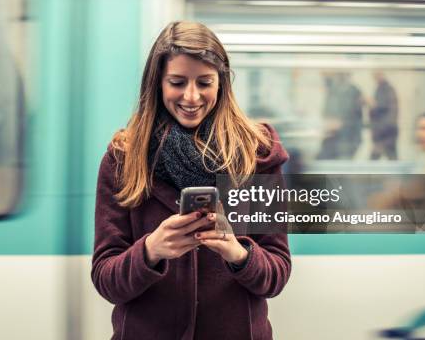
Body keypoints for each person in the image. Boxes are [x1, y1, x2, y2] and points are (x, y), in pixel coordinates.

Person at [91, 21, 291, 340]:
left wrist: (237, 252)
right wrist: (151, 250)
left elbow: (277, 274)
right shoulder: (123, 158)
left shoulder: (257, 155)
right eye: (177, 82)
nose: (191, 96)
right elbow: (105, 279)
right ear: (157, 83)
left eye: (204, 82)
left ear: (221, 84)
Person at [317, 72, 363, 159]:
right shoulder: (333, 91)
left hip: (346, 139)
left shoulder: (351, 91)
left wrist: (337, 122)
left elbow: (350, 114)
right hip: (333, 139)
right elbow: (327, 113)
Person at [369, 71, 399, 160]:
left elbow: (384, 106)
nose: (376, 78)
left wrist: (373, 103)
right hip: (383, 128)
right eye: (375, 76)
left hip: (385, 129)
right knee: (389, 156)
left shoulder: (387, 89)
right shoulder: (380, 88)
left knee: (379, 156)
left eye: (378, 75)